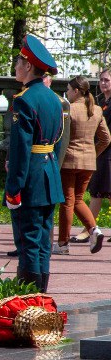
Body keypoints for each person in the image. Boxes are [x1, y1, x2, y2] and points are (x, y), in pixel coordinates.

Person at [3, 38, 64, 291]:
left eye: (18, 61)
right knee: (42, 240)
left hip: (31, 177)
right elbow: (59, 140)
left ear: (28, 65)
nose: (16, 65)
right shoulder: (53, 98)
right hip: (49, 174)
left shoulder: (24, 100)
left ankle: (30, 297)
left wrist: (13, 187)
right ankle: (42, 293)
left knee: (27, 238)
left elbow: (20, 150)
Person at [55, 75, 110, 255]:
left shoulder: (68, 109)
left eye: (69, 90)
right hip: (88, 162)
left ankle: (63, 243)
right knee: (77, 199)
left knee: (67, 201)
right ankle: (94, 230)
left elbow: (59, 136)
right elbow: (106, 138)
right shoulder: (96, 109)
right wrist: (92, 153)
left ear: (76, 91)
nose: (67, 93)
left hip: (69, 160)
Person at [85, 67, 111, 238]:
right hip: (102, 150)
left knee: (101, 189)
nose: (102, 83)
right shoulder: (102, 101)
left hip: (108, 151)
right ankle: (89, 229)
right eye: (101, 80)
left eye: (106, 80)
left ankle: (89, 230)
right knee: (98, 189)